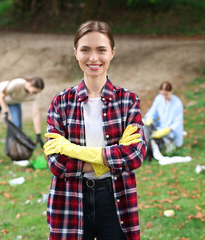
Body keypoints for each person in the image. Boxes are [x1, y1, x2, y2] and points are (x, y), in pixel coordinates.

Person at [43, 21, 146, 240]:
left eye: (101, 50)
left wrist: (72, 149)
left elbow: (134, 155)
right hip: (70, 197)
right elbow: (57, 164)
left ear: (112, 52)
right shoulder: (60, 103)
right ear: (75, 53)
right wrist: (112, 155)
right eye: (85, 50)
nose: (93, 58)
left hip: (115, 196)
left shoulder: (128, 101)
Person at [0, 77, 45, 162]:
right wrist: (5, 111)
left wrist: (38, 134)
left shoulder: (35, 95)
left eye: (37, 92)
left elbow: (36, 115)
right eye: (35, 91)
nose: (35, 94)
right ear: (29, 84)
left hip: (14, 102)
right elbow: (1, 96)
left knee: (17, 126)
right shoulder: (17, 83)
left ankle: (16, 155)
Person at [143, 81, 184, 161]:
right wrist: (149, 118)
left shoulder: (177, 103)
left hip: (171, 132)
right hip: (160, 127)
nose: (164, 96)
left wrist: (166, 130)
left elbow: (177, 123)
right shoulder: (159, 98)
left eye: (166, 94)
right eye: (162, 94)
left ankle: (165, 146)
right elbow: (152, 111)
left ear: (171, 91)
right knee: (143, 123)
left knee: (160, 142)